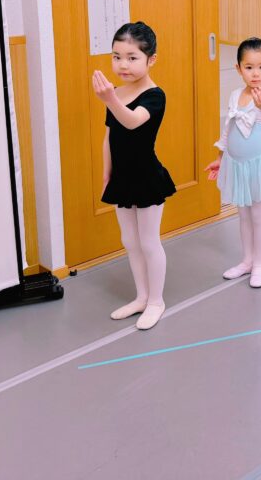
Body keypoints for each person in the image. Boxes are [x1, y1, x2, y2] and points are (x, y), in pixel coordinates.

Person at [93, 21, 175, 330]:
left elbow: (131, 121)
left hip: (147, 178)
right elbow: (109, 136)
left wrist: (110, 100)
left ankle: (156, 301)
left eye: (132, 57)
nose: (122, 65)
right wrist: (107, 173)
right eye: (116, 57)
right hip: (122, 178)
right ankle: (141, 297)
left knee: (149, 241)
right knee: (130, 240)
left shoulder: (155, 96)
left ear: (151, 60)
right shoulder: (116, 93)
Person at [205, 37, 261, 288]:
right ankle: (247, 260)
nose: (255, 73)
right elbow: (228, 129)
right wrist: (220, 158)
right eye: (249, 67)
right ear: (238, 69)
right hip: (236, 165)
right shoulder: (235, 95)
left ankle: (260, 264)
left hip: (258, 166)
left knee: (259, 216)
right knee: (243, 216)